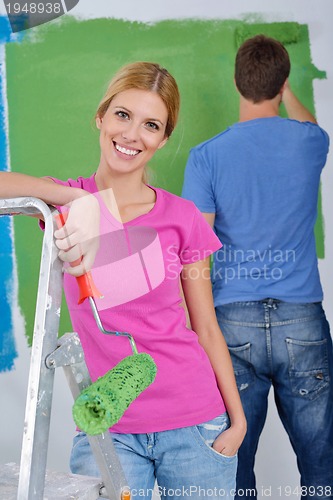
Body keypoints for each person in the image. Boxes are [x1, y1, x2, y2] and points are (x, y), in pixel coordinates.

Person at [0, 62, 246, 499]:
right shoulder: (65, 208)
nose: (132, 134)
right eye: (122, 115)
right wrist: (77, 198)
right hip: (106, 427)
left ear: (163, 138)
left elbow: (206, 327)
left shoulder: (183, 218)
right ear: (101, 116)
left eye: (151, 124)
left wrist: (238, 420)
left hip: (194, 424)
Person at [182, 35, 333, 500]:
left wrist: (196, 326)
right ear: (283, 84)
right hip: (301, 320)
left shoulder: (206, 156)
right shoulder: (311, 142)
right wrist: (287, 90)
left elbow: (194, 255)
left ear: (236, 82)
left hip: (231, 323)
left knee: (232, 462)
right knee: (321, 465)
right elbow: (308, 122)